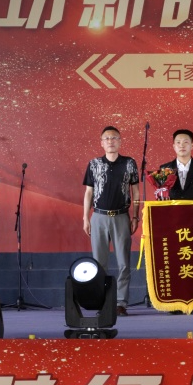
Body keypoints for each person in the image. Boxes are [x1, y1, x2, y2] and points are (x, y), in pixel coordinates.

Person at [82, 126, 140, 317]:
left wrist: (135, 216)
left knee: (124, 262)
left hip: (121, 216)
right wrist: (86, 218)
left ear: (120, 141)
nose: (110, 141)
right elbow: (89, 192)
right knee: (99, 263)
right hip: (98, 216)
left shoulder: (129, 163)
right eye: (106, 138)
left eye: (114, 138)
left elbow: (135, 192)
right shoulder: (94, 164)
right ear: (101, 143)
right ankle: (102, 302)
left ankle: (121, 302)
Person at [159, 129, 193, 202]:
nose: (182, 146)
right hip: (172, 208)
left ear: (192, 146)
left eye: (186, 142)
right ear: (174, 146)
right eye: (178, 142)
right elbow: (161, 192)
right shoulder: (165, 168)